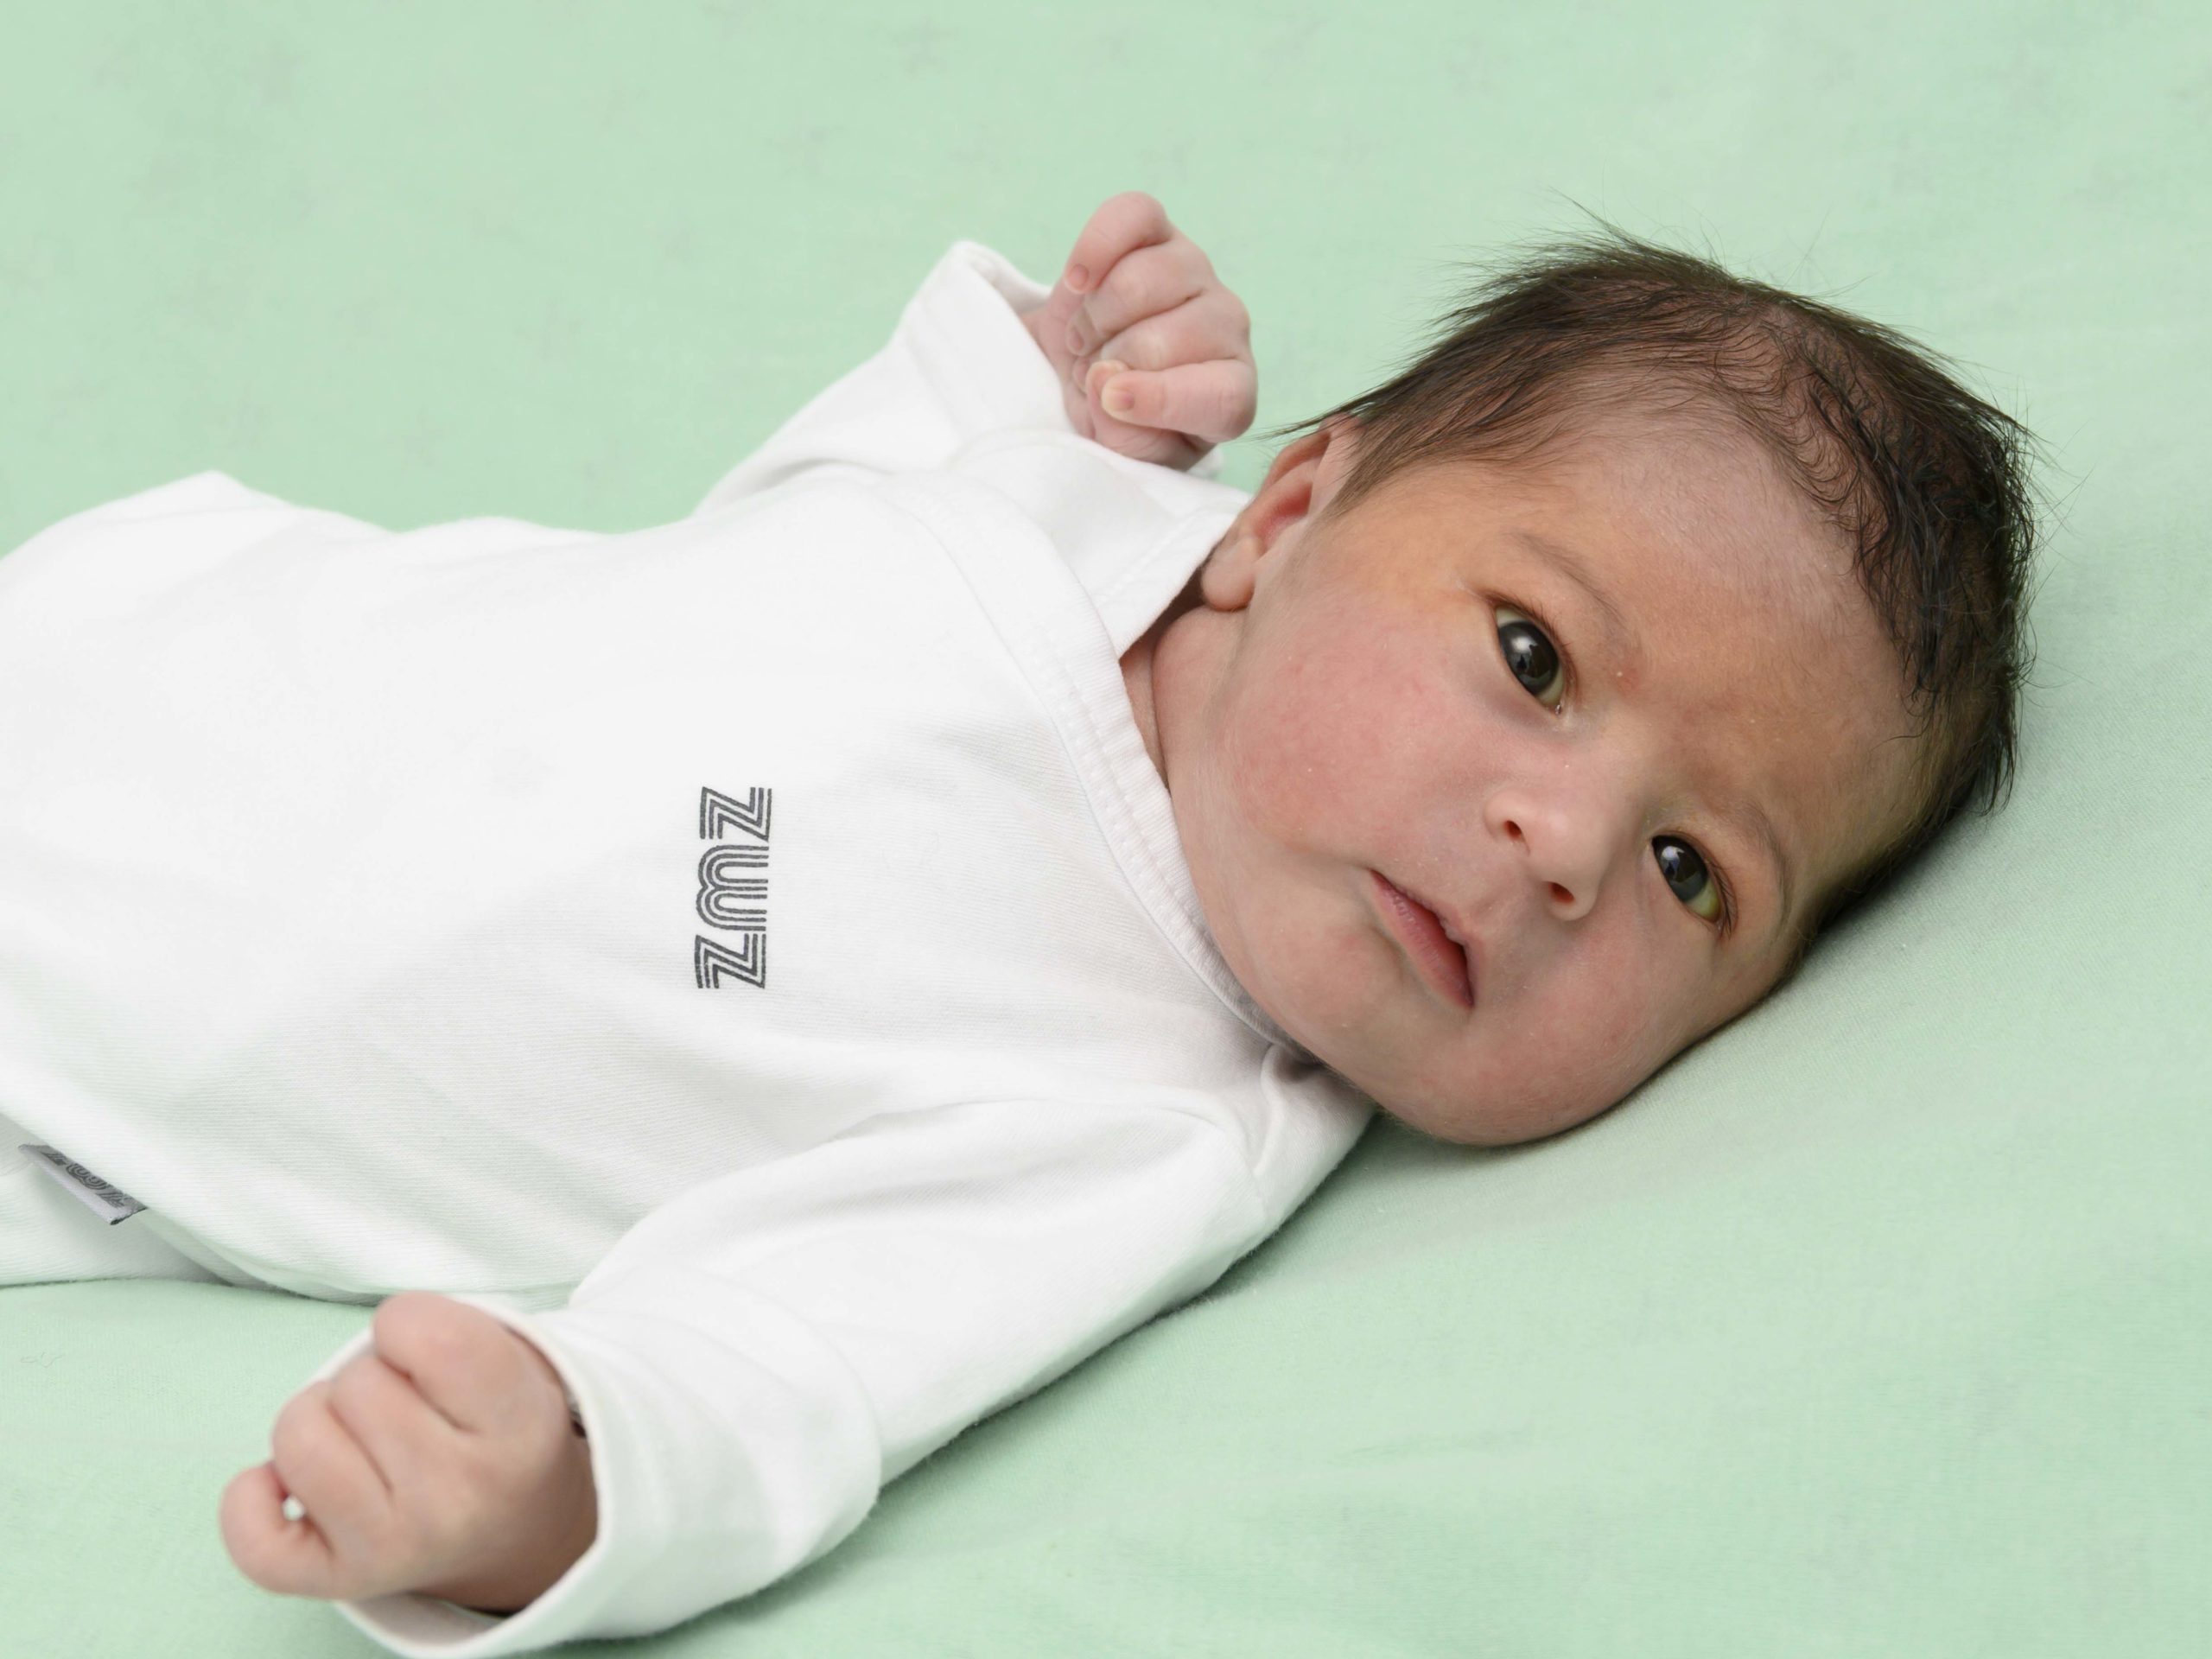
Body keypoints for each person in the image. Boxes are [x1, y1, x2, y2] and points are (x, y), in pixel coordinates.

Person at [0, 190, 2037, 1654]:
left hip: (79, 1059)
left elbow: (804, 1358)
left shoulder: (1141, 1111)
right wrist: (1038, 368)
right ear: (1285, 514)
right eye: (1530, 653)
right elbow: (779, 546)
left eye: (1693, 873)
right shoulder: (1069, 508)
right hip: (153, 625)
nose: (1568, 844)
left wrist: (561, 1482)